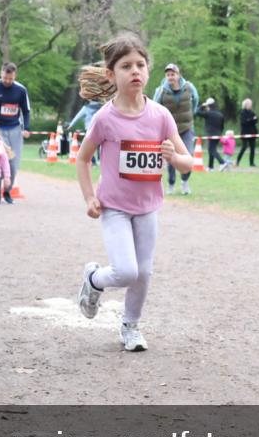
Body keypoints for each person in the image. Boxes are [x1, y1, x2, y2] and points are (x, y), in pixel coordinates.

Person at [75, 33, 193, 351]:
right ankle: (93, 279)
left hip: (147, 207)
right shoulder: (104, 119)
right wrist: (89, 196)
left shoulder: (160, 115)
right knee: (126, 270)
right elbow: (83, 159)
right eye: (126, 66)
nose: (136, 71)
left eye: (140, 64)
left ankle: (130, 326)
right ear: (112, 75)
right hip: (113, 206)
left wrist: (173, 156)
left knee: (144, 272)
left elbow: (187, 164)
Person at [0, 62, 31, 204]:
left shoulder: (21, 90)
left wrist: (26, 127)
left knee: (13, 163)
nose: (8, 81)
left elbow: (26, 111)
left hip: (15, 129)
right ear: (1, 74)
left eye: (11, 79)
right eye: (5, 78)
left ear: (14, 76)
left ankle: (7, 191)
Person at [152, 63, 199, 195]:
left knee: (188, 155)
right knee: (170, 156)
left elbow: (195, 101)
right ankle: (171, 184)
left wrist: (190, 115)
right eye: (168, 75)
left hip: (187, 128)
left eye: (173, 74)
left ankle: (185, 182)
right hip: (169, 130)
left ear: (178, 75)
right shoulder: (161, 90)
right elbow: (155, 108)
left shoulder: (189, 87)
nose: (170, 77)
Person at [195, 98, 227, 170]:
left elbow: (197, 112)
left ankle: (222, 163)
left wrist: (202, 106)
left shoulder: (208, 113)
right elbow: (222, 126)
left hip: (211, 134)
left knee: (212, 150)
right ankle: (210, 166)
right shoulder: (220, 114)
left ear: (208, 106)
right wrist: (220, 133)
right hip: (218, 134)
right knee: (211, 149)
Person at [236, 98, 259, 167]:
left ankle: (251, 163)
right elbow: (244, 122)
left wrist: (253, 120)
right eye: (249, 104)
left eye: (251, 104)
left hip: (252, 132)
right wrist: (252, 120)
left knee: (253, 148)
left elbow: (255, 120)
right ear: (245, 105)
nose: (250, 105)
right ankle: (237, 161)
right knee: (244, 147)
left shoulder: (252, 112)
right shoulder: (242, 113)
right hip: (245, 132)